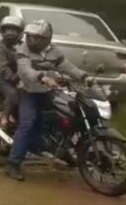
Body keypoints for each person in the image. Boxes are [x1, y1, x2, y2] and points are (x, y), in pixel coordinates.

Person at [5, 19, 90, 181]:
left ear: (47, 38)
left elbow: (67, 67)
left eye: (37, 38)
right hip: (28, 92)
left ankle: (60, 149)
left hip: (47, 92)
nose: (32, 40)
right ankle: (13, 163)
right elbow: (25, 71)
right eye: (30, 37)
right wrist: (42, 77)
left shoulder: (54, 52)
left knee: (65, 117)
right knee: (27, 124)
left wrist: (83, 76)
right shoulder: (23, 51)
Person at [0, 16, 25, 126]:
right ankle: (4, 117)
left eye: (13, 30)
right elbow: (2, 68)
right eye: (7, 30)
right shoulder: (0, 47)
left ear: (19, 32)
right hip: (2, 79)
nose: (10, 33)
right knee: (13, 94)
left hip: (21, 77)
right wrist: (15, 79)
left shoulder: (23, 46)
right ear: (3, 31)